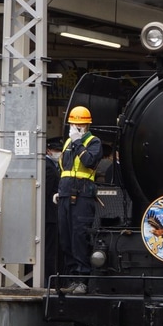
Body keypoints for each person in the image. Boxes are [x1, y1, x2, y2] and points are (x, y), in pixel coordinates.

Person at [57, 105, 102, 292]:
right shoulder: (68, 143)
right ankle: (71, 278)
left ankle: (82, 279)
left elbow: (89, 161)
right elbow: (65, 169)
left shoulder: (93, 142)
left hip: (82, 195)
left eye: (79, 125)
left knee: (79, 237)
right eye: (73, 124)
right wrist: (60, 191)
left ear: (86, 125)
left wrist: (77, 142)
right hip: (66, 194)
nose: (75, 128)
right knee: (66, 237)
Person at [42, 137, 62, 283]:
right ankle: (49, 278)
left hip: (52, 213)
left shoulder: (54, 166)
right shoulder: (48, 167)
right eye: (57, 150)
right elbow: (46, 192)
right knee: (49, 248)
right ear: (48, 150)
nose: (59, 153)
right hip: (49, 214)